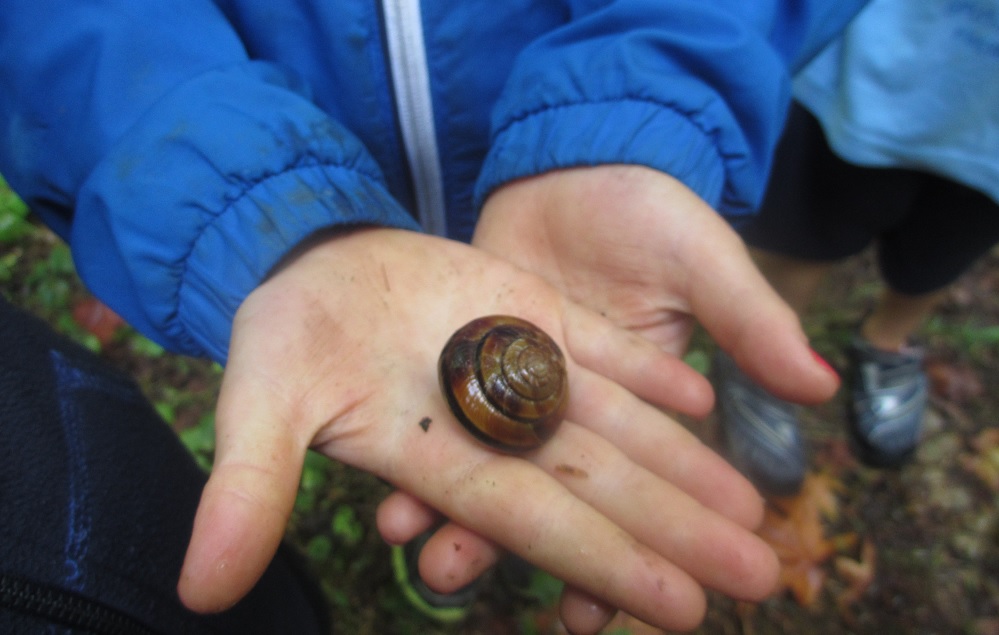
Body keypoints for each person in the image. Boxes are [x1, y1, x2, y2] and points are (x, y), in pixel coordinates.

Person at [0, 2, 864, 632]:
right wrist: (254, 214)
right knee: (405, 435)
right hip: (326, 188)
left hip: (526, 167)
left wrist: (635, 110)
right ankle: (446, 535)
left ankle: (467, 546)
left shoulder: (505, 361)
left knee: (483, 470)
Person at [715, 0, 999, 496]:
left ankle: (887, 344)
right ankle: (761, 358)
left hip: (985, 140)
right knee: (804, 233)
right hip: (867, 70)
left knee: (942, 250)